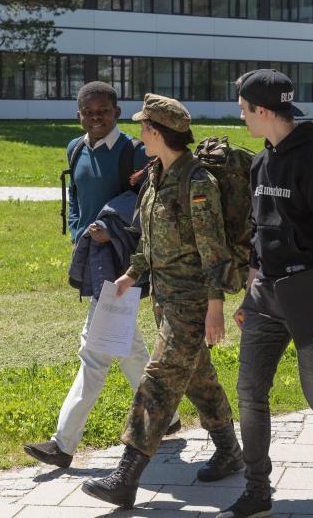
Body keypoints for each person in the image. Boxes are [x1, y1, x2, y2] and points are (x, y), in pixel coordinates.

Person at [80, 93, 243, 508]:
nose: (139, 133)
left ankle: (126, 475)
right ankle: (229, 449)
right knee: (195, 376)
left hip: (192, 300)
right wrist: (132, 272)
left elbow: (214, 250)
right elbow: (150, 238)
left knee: (158, 379)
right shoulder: (156, 175)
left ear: (156, 131)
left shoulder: (197, 182)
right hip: (164, 298)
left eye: (143, 126)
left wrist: (215, 305)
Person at [217, 69, 313, 518]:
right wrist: (249, 292)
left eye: (244, 111)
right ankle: (257, 489)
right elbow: (261, 234)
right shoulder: (263, 161)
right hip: (265, 298)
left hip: (312, 298)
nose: (242, 119)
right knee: (250, 392)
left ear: (262, 110)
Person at [23, 82, 179, 470]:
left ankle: (63, 444)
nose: (96, 118)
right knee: (128, 346)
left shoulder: (132, 151)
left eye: (103, 112)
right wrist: (78, 230)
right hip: (90, 252)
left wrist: (112, 231)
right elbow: (75, 196)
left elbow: (147, 202)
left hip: (120, 258)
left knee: (93, 353)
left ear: (117, 112)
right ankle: (168, 416)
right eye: (89, 113)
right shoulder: (75, 149)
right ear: (79, 116)